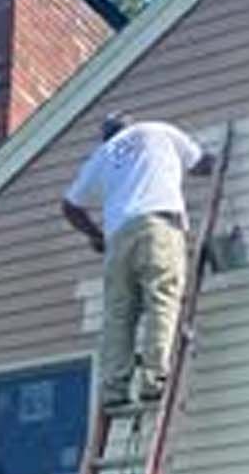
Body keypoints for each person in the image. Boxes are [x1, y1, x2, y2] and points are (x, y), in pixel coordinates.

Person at [62, 113, 214, 416]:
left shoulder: (103, 155)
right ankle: (154, 380)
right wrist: (216, 159)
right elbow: (202, 165)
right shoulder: (157, 130)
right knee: (162, 298)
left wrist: (96, 236)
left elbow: (70, 206)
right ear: (130, 125)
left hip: (118, 238)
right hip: (158, 225)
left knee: (119, 314)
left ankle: (114, 389)